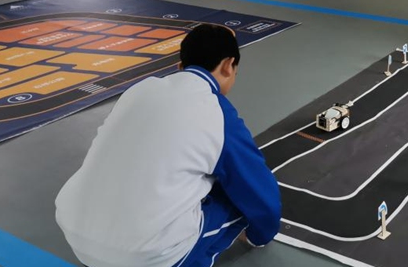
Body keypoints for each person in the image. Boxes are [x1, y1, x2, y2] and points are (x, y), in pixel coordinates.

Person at [55, 24, 281, 267]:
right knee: (237, 194)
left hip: (75, 232)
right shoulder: (216, 110)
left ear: (180, 66)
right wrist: (261, 235)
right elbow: (258, 189)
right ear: (228, 65)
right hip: (143, 255)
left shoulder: (139, 89)